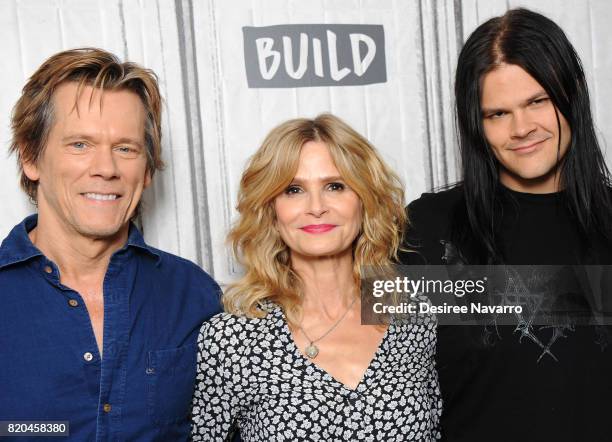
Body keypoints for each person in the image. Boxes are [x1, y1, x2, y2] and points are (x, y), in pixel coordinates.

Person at [399, 8, 612, 442]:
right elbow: (355, 358)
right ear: (475, 125)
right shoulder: (428, 230)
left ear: (572, 93)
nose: (521, 128)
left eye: (537, 101)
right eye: (497, 114)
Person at [0, 48, 221, 441]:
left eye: (126, 148)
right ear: (31, 158)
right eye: (80, 144)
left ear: (147, 169)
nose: (106, 168)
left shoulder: (194, 295)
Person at [191, 114, 441, 441]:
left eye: (335, 186)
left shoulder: (414, 315)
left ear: (364, 201)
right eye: (293, 190)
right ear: (272, 211)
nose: (316, 207)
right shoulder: (231, 339)